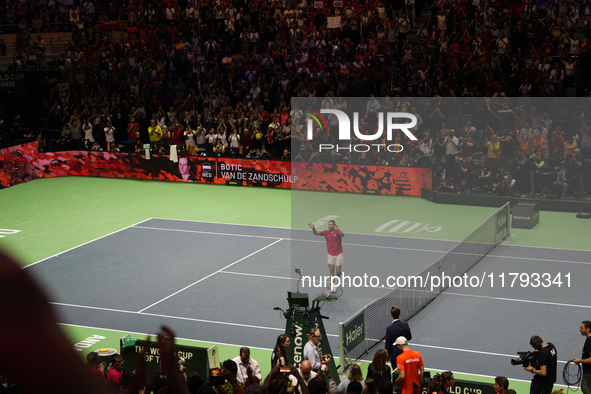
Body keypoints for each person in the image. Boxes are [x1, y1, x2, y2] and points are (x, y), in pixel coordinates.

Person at [308, 220, 344, 293]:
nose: (330, 226)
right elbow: (316, 233)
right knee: (331, 270)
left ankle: (336, 280)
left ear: (334, 225)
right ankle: (334, 285)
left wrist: (338, 229)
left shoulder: (337, 232)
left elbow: (342, 235)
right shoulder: (326, 232)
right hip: (330, 254)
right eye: (329, 224)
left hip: (338, 254)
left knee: (338, 271)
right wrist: (313, 229)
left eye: (331, 224)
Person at [573, 321, 591, 394]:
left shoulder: (589, 341)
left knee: (586, 390)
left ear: (588, 329)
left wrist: (579, 361)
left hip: (589, 373)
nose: (580, 329)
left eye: (582, 327)